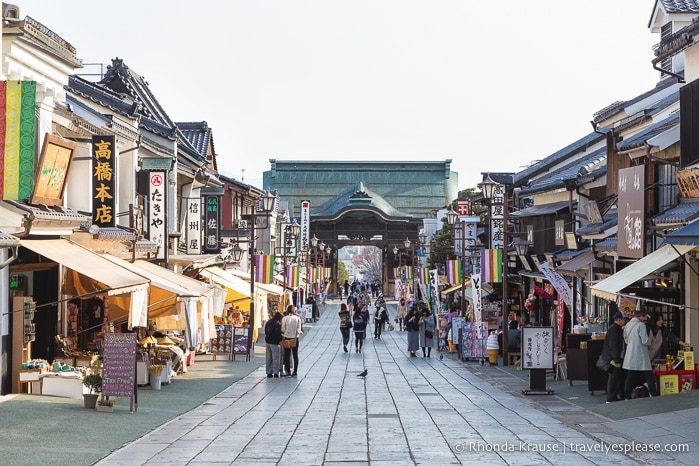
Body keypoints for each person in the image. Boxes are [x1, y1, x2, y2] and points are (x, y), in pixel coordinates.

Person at [623, 308, 657, 398]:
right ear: (641, 316)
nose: (646, 318)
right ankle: (654, 394)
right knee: (649, 376)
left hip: (630, 354)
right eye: (645, 316)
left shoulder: (628, 324)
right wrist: (650, 340)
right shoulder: (641, 325)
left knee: (630, 376)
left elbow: (626, 340)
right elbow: (645, 341)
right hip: (641, 355)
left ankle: (627, 397)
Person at [601, 311, 627, 402]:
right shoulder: (614, 329)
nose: (625, 321)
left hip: (613, 357)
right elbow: (614, 346)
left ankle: (613, 396)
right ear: (618, 320)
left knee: (615, 377)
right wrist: (616, 360)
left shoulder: (615, 328)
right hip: (613, 358)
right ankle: (611, 397)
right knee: (614, 377)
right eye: (623, 319)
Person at [281, 305, 301, 377]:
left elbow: (283, 329)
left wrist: (285, 333)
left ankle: (287, 371)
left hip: (287, 338)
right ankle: (295, 371)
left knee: (287, 355)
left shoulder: (284, 318)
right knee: (295, 355)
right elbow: (299, 330)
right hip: (295, 338)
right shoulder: (297, 318)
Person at [264, 312, 283, 378]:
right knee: (275, 358)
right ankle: (276, 372)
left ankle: (268, 372)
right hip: (274, 342)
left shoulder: (269, 322)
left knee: (268, 358)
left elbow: (266, 331)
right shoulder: (278, 324)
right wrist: (280, 338)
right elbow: (278, 334)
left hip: (268, 341)